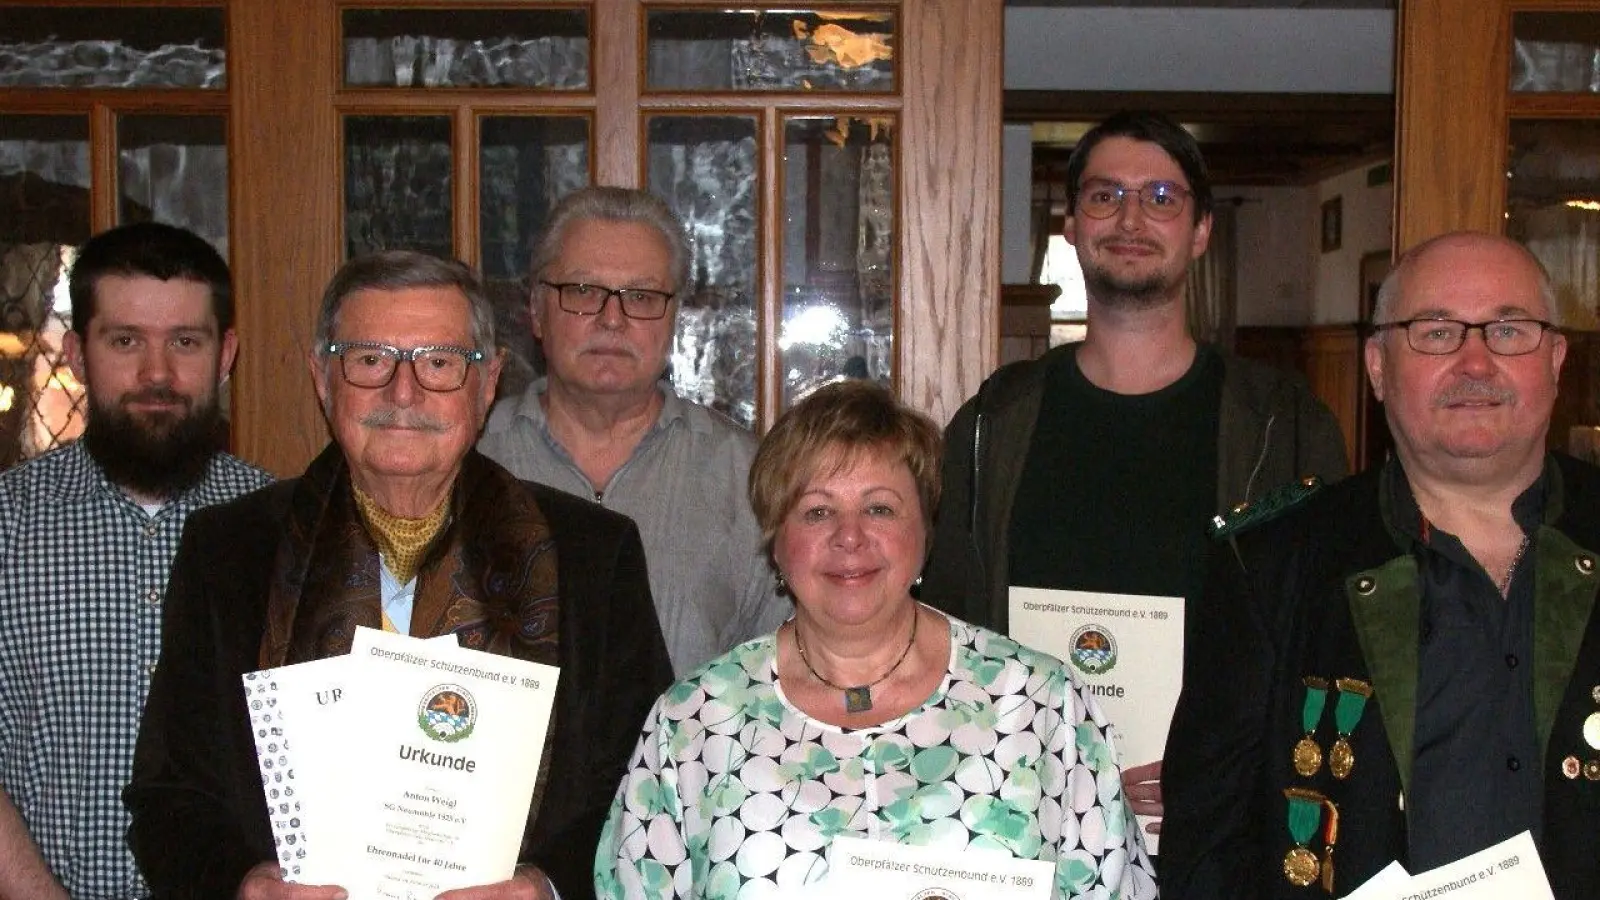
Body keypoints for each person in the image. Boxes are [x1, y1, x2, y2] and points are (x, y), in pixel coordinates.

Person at [124, 251, 673, 900]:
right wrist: (243, 887)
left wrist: (547, 888)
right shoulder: (229, 552)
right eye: (369, 360)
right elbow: (170, 795)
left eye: (439, 363)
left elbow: (649, 786)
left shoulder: (590, 555)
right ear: (323, 379)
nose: (403, 393)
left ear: (488, 381)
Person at [923, 110, 1348, 835]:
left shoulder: (1285, 426)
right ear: (1072, 225)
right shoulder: (993, 421)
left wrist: (1223, 764)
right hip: (1028, 814)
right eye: (1104, 195)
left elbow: (1325, 638)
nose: (1130, 218)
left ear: (1201, 230)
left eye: (1161, 198)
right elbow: (948, 627)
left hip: (1219, 826)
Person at [1162, 232, 1600, 899]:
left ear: (1557, 359)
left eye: (1509, 330)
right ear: (1376, 365)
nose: (1475, 362)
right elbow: (1207, 849)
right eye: (1436, 331)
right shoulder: (1271, 566)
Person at [595, 381, 1157, 900]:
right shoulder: (694, 723)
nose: (850, 536)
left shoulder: (1039, 705)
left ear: (924, 532)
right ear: (776, 539)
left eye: (880, 508)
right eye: (817, 511)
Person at [0, 222, 272, 899]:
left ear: (225, 354)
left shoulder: (283, 526)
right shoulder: (7, 525)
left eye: (185, 341)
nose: (157, 373)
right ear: (78, 353)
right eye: (126, 341)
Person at [479, 186, 788, 677]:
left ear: (674, 320)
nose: (612, 319)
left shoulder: (752, 479)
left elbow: (784, 676)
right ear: (536, 311)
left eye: (641, 297)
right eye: (582, 292)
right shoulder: (469, 460)